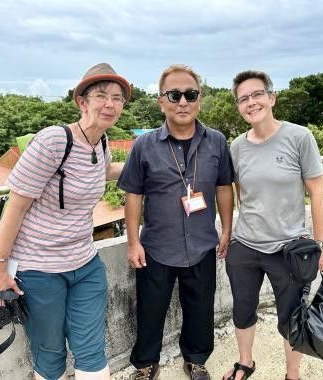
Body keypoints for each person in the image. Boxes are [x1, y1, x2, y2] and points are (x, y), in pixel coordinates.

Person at [0, 62, 130, 380]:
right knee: (50, 355)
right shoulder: (54, 141)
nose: (110, 104)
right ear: (82, 101)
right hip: (39, 270)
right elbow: (16, 207)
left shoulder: (102, 143)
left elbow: (104, 171)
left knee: (92, 351)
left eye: (118, 98)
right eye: (102, 95)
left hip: (86, 264)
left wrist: (149, 166)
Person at [118, 64, 234, 380]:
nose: (182, 102)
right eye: (174, 95)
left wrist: (226, 229)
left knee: (200, 309)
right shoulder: (144, 145)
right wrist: (133, 242)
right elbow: (133, 194)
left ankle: (196, 360)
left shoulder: (217, 142)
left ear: (199, 99)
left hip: (201, 242)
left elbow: (224, 187)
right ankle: (145, 364)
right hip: (157, 245)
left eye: (190, 94)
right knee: (150, 310)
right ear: (161, 101)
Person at [222, 70, 323, 380]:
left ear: (271, 98)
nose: (250, 102)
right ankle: (245, 362)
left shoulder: (299, 137)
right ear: (239, 106)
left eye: (257, 95)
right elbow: (241, 193)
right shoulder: (237, 146)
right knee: (242, 310)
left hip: (289, 250)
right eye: (243, 99)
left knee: (291, 318)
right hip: (245, 247)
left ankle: (292, 375)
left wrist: (321, 244)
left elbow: (317, 193)